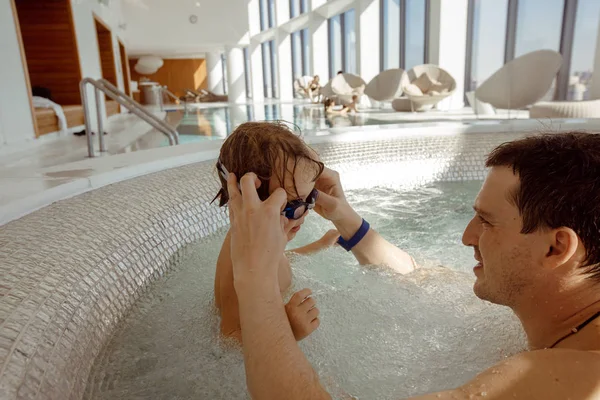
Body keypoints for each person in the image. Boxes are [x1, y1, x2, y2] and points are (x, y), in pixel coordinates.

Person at [225, 131, 600, 399]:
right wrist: (344, 216)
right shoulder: (552, 313)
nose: (467, 237)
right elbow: (418, 277)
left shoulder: (565, 379)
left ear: (556, 248)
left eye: (486, 221)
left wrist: (255, 277)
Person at [212, 122, 342, 343]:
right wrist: (288, 332)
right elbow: (228, 338)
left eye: (309, 198)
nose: (303, 213)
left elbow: (279, 260)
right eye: (289, 207)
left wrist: (319, 245)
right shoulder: (240, 262)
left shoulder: (261, 242)